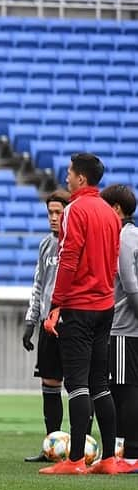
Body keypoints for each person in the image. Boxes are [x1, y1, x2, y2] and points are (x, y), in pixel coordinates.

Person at [39, 154, 121, 475]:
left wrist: (57, 304)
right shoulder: (110, 213)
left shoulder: (76, 210)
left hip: (79, 306)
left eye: (71, 173)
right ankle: (110, 459)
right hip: (105, 305)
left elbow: (68, 259)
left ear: (82, 178)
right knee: (100, 382)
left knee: (77, 384)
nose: (67, 177)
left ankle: (74, 460)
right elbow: (112, 260)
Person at [22, 190, 70, 462]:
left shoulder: (76, 243)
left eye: (58, 212)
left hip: (71, 322)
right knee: (50, 383)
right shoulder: (45, 245)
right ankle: (52, 445)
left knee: (77, 384)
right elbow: (39, 284)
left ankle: (79, 447)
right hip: (46, 323)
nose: (53, 218)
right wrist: (31, 321)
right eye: (50, 212)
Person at [100, 183, 138, 472]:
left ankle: (129, 451)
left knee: (124, 389)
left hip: (124, 326)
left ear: (115, 209)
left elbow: (129, 283)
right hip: (128, 326)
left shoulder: (124, 237)